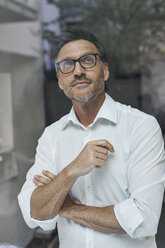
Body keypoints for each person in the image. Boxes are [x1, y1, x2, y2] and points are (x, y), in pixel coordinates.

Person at [18, 28, 165, 248]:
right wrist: (72, 170)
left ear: (105, 71)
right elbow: (35, 212)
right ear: (59, 81)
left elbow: (144, 218)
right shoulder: (52, 136)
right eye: (67, 65)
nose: (77, 71)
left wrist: (67, 208)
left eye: (87, 60)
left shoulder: (141, 126)